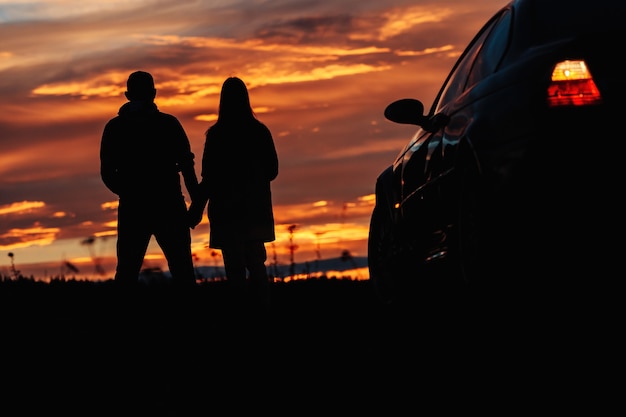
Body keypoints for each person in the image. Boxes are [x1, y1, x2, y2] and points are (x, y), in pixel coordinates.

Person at [100, 70, 199, 289]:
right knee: (183, 272)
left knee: (126, 272)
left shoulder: (115, 128)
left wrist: (129, 192)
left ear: (127, 95)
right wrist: (197, 206)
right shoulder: (169, 124)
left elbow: (107, 174)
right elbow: (187, 168)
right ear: (154, 94)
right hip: (170, 205)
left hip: (133, 209)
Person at [189, 76, 278, 305]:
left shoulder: (217, 135)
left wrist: (196, 210)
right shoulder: (260, 132)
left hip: (226, 213)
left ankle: (240, 317)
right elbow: (272, 170)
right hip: (254, 211)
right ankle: (263, 313)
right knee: (257, 266)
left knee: (235, 269)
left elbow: (208, 178)